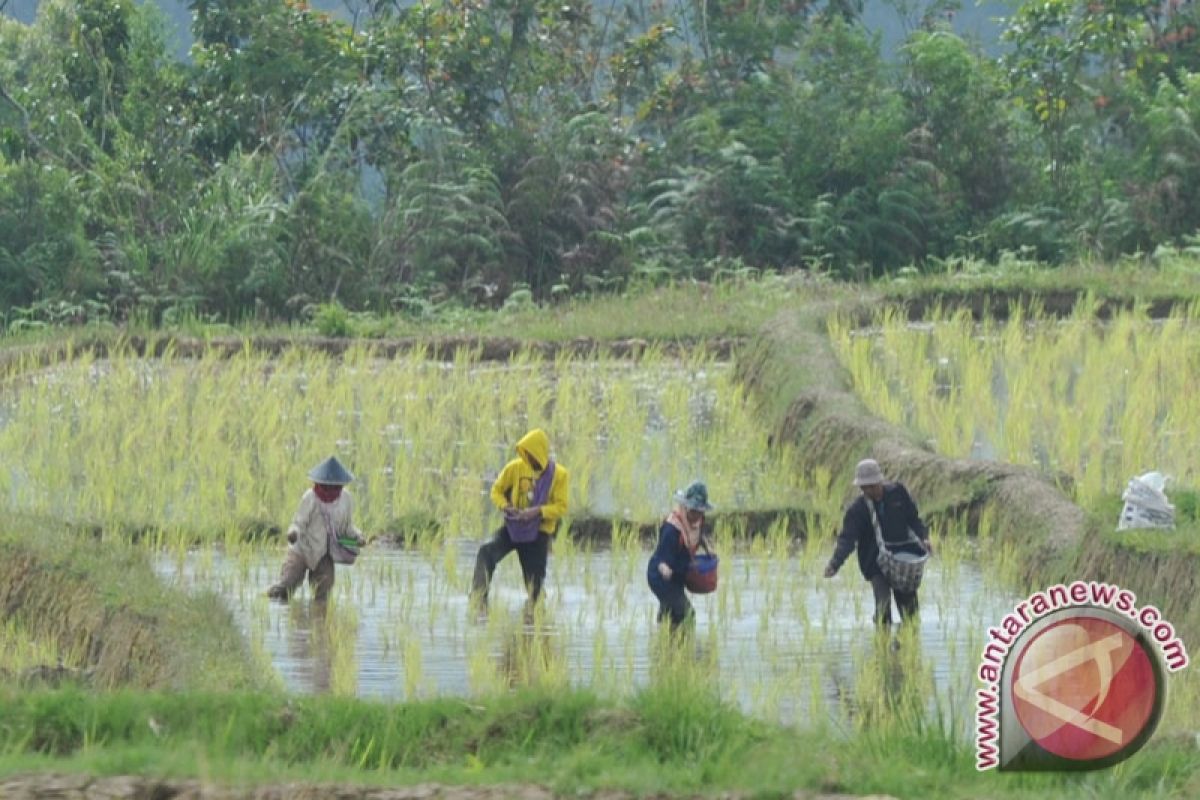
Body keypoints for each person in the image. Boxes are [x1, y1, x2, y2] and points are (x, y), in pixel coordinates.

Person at [824, 459, 933, 626]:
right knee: (883, 608)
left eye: (872, 486)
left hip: (902, 560)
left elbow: (913, 518)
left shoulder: (898, 494)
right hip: (875, 562)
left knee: (911, 617)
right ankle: (882, 645)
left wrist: (924, 537)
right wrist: (835, 563)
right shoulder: (857, 510)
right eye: (864, 487)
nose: (869, 490)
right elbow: (847, 539)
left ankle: (906, 646)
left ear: (879, 481)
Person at [471, 428, 569, 609]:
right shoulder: (515, 468)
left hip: (538, 533)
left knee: (535, 591)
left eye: (532, 455)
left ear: (540, 453)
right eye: (526, 454)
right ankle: (478, 600)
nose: (529, 459)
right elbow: (496, 491)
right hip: (513, 528)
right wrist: (507, 507)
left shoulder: (559, 475)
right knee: (486, 551)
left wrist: (536, 512)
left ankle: (535, 621)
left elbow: (561, 506)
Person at [267, 456, 365, 603]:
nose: (329, 490)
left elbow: (346, 527)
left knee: (323, 596)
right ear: (318, 484)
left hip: (325, 554)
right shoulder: (310, 498)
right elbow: (298, 523)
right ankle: (271, 601)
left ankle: (319, 622)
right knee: (285, 587)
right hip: (302, 550)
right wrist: (293, 533)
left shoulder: (346, 500)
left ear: (341, 485)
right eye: (326, 486)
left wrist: (358, 537)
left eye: (334, 487)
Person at [647, 481, 713, 630]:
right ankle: (683, 649)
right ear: (686, 506)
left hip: (677, 574)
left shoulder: (699, 519)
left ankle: (664, 645)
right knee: (687, 615)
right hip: (660, 576)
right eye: (693, 510)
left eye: (700, 511)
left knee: (670, 614)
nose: (696, 514)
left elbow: (699, 535)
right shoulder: (672, 529)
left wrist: (707, 547)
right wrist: (665, 569)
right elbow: (662, 558)